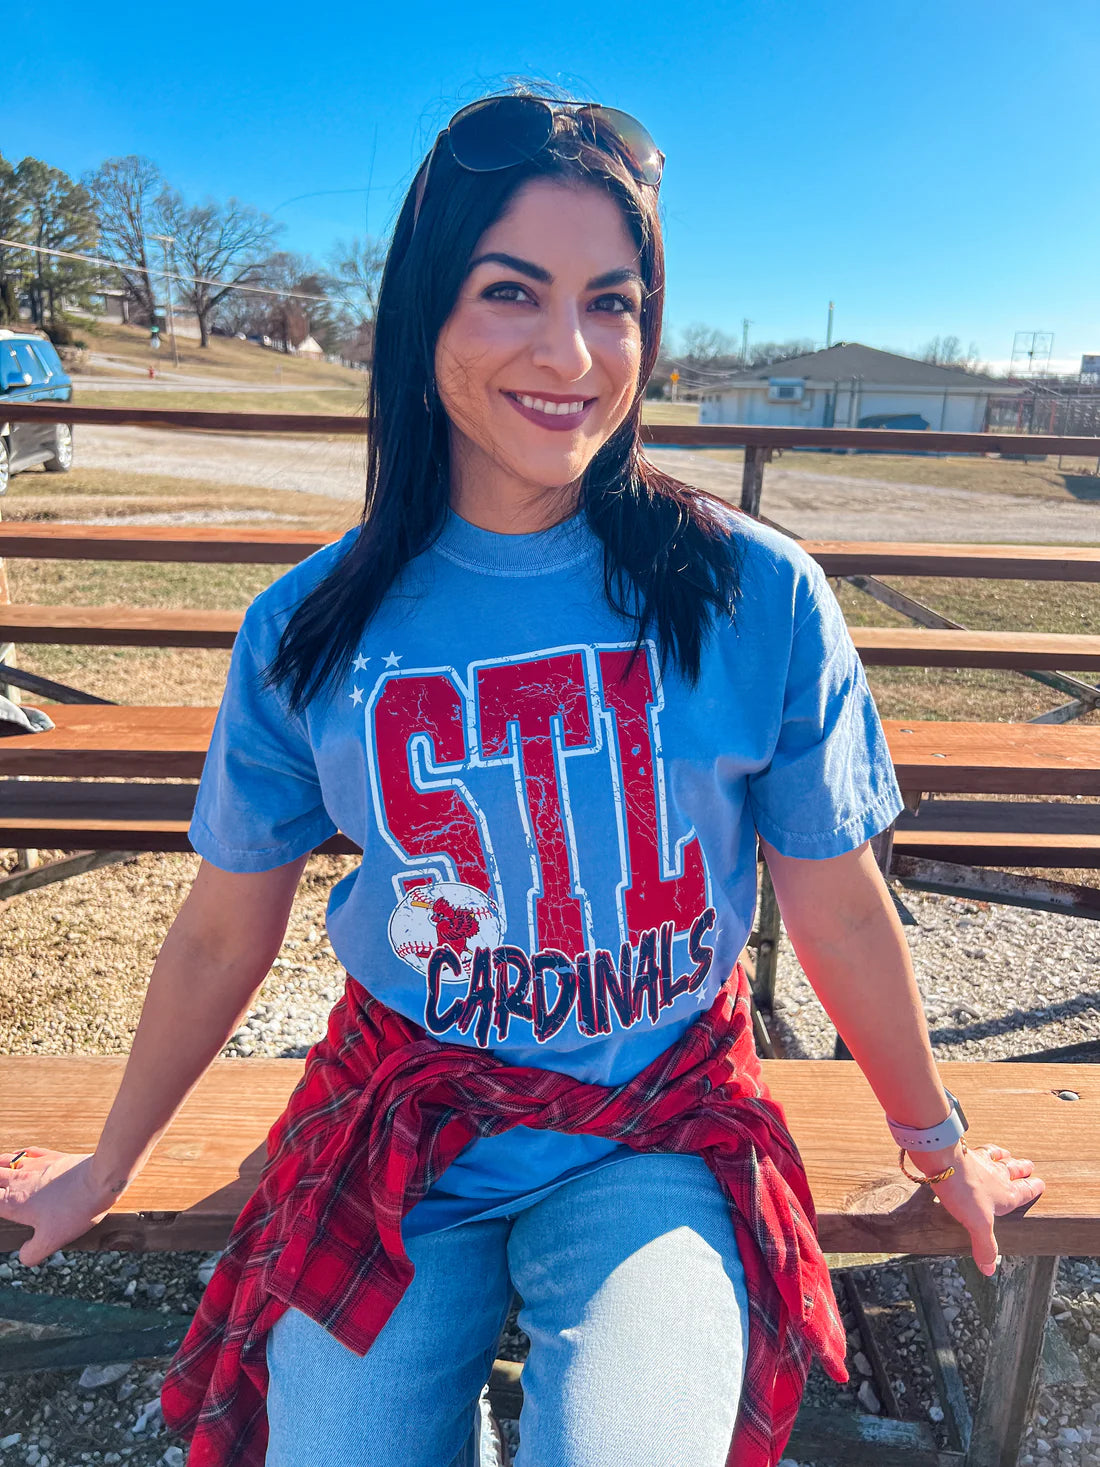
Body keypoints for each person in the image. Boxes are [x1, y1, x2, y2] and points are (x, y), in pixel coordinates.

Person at [0, 91, 1044, 1467]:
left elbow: (842, 906)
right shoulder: (311, 627)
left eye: (612, 302)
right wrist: (111, 1157)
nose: (571, 353)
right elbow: (218, 927)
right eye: (511, 292)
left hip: (652, 1130)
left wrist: (935, 1141)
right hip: (401, 1130)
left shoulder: (752, 590)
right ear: (425, 314)